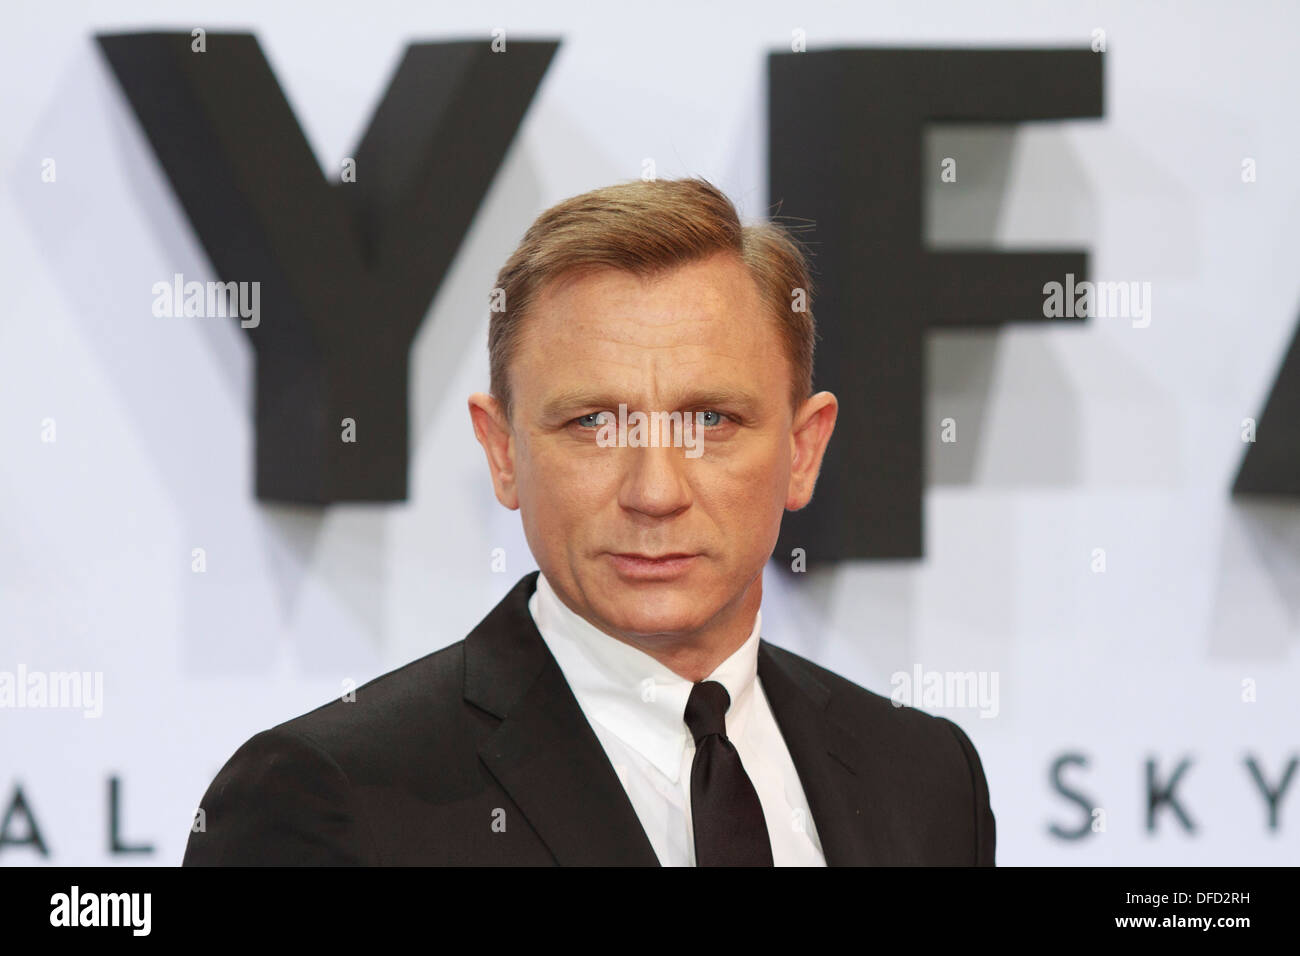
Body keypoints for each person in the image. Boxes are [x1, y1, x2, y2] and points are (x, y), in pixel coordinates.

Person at [183, 177, 995, 866]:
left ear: (804, 450)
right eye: (593, 425)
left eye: (710, 420)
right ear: (502, 452)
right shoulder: (328, 798)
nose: (654, 490)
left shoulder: (924, 777)